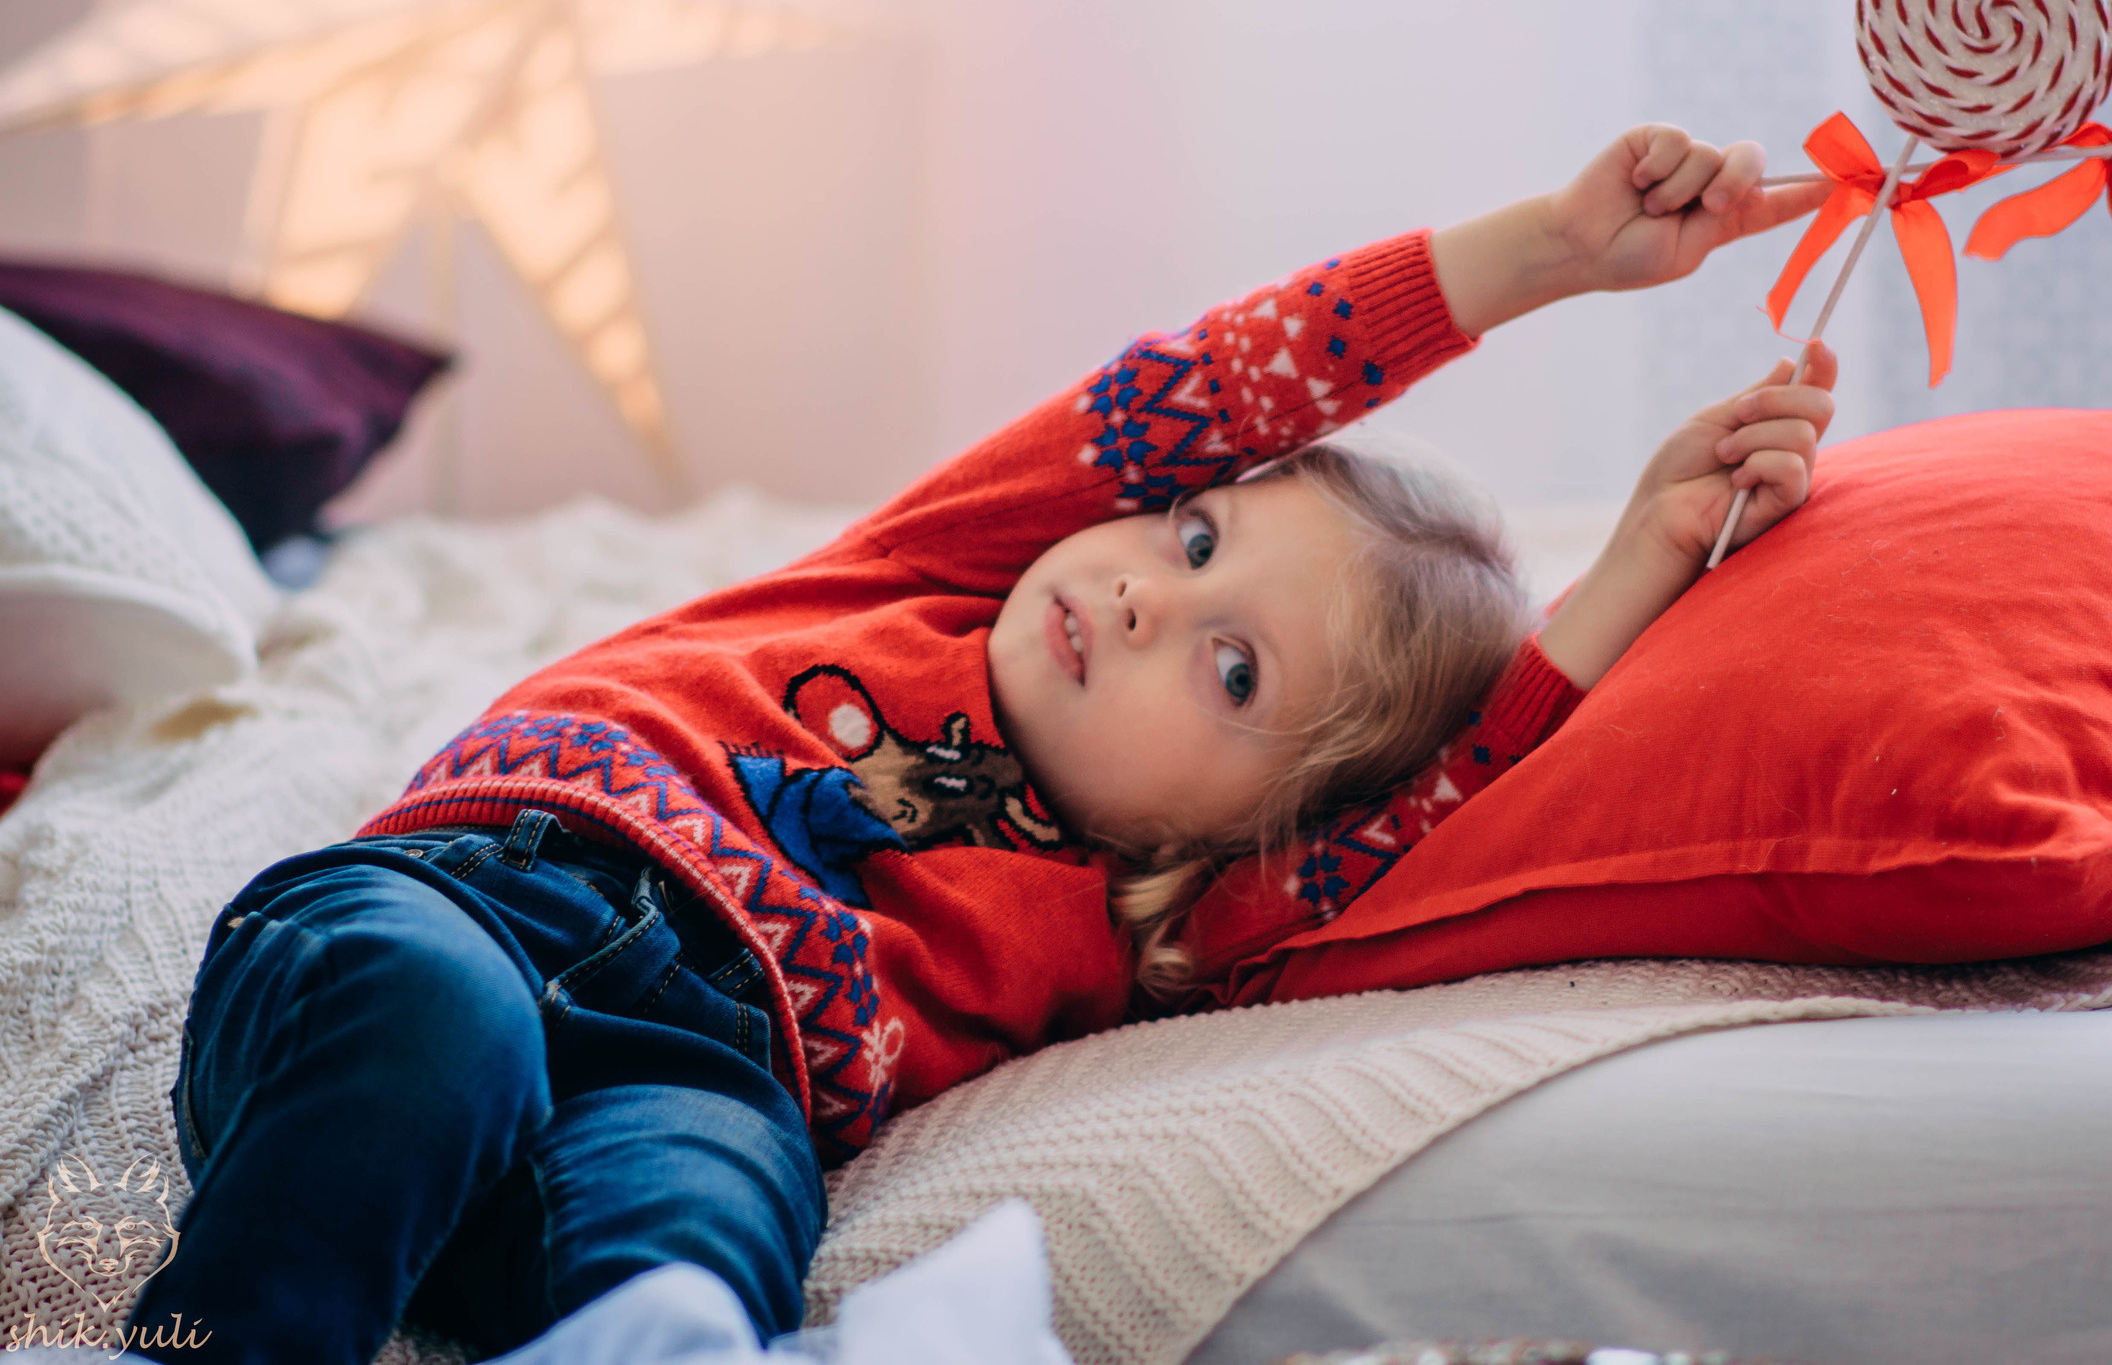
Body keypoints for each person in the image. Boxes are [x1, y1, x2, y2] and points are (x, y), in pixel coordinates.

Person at [123, 126, 1836, 1364]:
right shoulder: (934, 567)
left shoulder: (1143, 915)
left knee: (717, 1214)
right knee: (439, 1018)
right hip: (457, 904)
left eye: (1236, 677)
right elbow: (1219, 383)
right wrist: (1546, 252)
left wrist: (1639, 562)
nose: (1156, 604)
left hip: (700, 1073)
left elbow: (1452, 815)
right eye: (1192, 539)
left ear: (1240, 836)